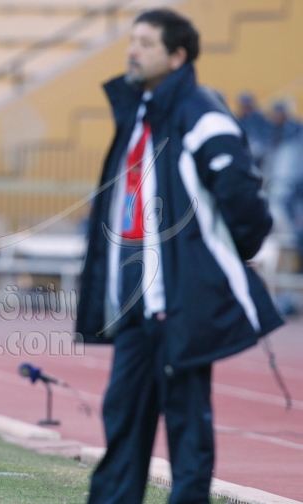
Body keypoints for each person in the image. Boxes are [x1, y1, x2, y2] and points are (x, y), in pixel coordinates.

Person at [75, 9, 283, 504]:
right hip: (134, 307)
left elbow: (244, 197)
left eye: (145, 43)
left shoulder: (200, 112)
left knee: (187, 432)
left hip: (179, 305)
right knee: (122, 424)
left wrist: (211, 264)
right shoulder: (139, 114)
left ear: (177, 56)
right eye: (132, 40)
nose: (132, 51)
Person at [235, 92, 272, 164]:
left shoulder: (260, 117)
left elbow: (267, 133)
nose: (246, 108)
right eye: (244, 106)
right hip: (246, 147)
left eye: (247, 105)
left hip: (261, 146)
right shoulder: (239, 119)